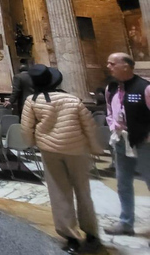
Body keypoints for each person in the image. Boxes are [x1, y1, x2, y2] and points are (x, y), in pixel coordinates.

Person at [21, 64, 102, 254]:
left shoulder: (32, 101)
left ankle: (71, 238)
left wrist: (33, 142)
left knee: (59, 193)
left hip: (49, 150)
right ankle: (91, 234)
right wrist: (95, 147)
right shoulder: (72, 99)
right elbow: (89, 126)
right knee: (83, 192)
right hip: (76, 150)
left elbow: (26, 128)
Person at [104, 53, 150, 238]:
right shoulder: (111, 88)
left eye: (112, 63)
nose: (108, 66)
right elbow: (109, 111)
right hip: (121, 141)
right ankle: (126, 223)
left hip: (145, 143)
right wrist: (113, 125)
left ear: (126, 66)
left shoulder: (145, 88)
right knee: (123, 183)